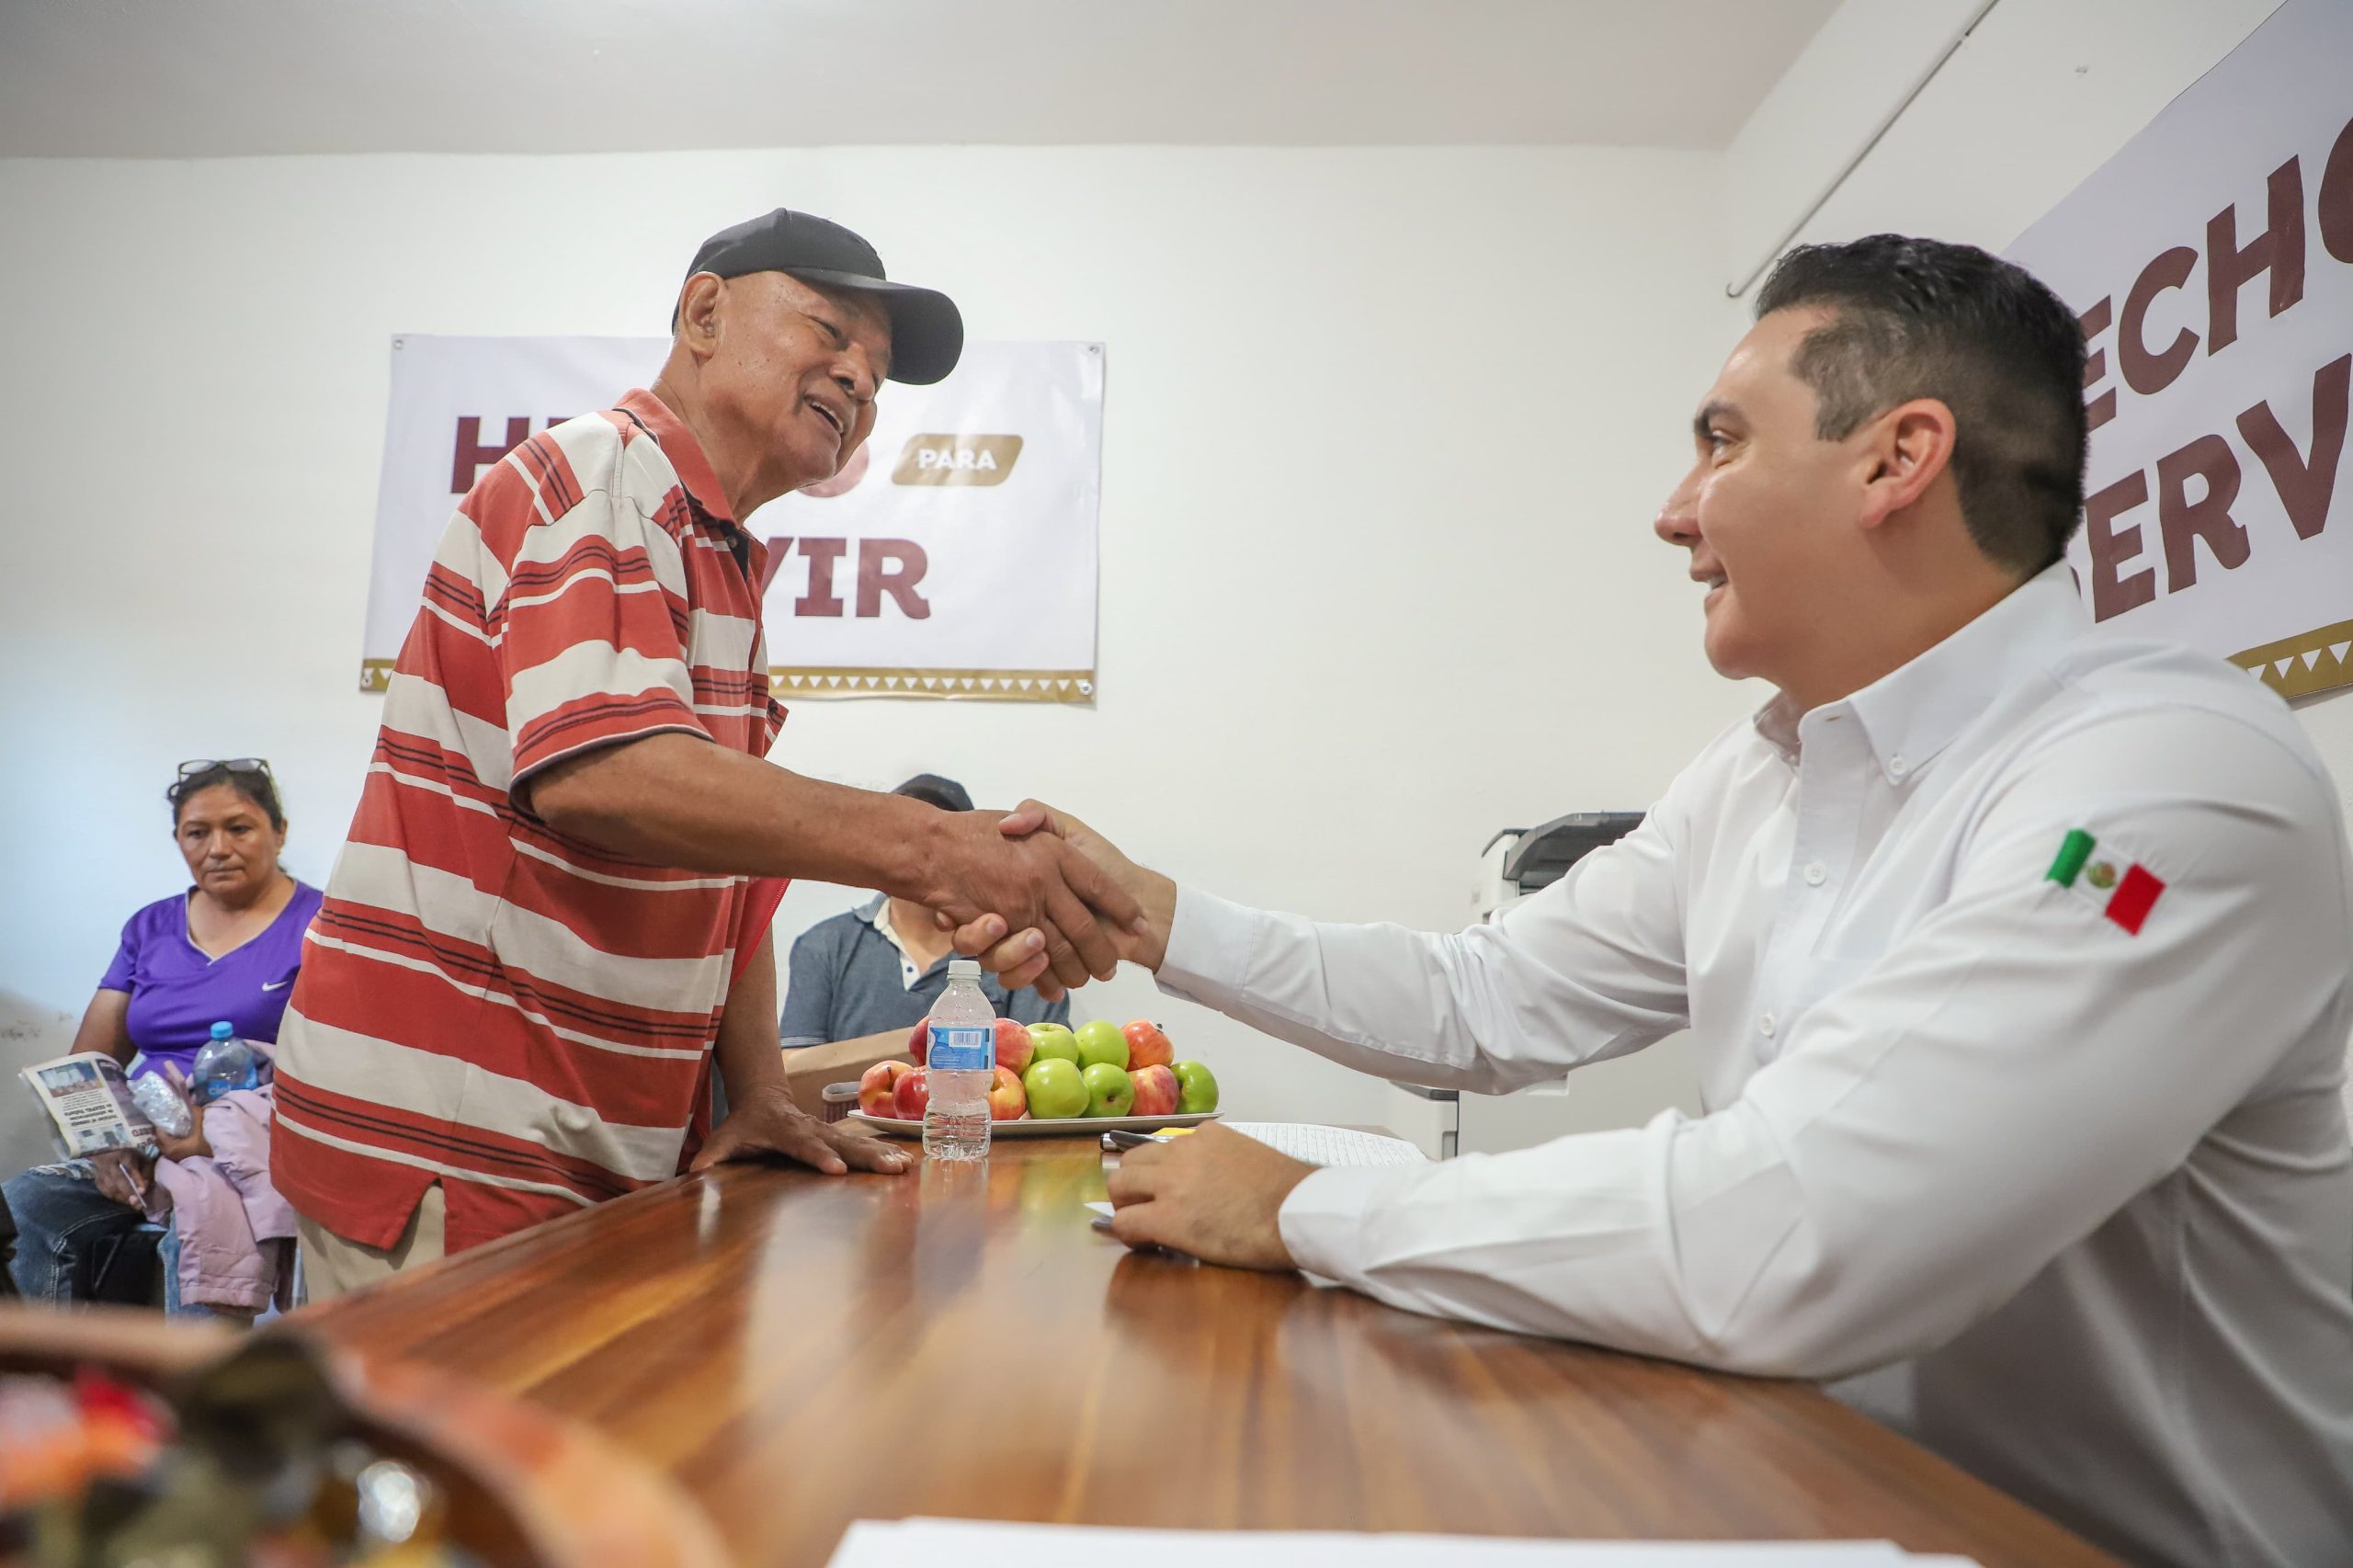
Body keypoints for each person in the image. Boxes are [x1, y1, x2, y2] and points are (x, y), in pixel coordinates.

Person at [968, 237, 2353, 1566]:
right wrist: (1157, 915)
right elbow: (1483, 994)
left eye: (1723, 440)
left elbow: (1807, 1226)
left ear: (1898, 458)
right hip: (1816, 1493)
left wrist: (1303, 1210)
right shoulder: (1757, 775)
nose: (1674, 508)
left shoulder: (2162, 784)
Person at [272, 208, 1143, 1296]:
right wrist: (932, 850)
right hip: (456, 1137)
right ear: (702, 311)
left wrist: (760, 1087)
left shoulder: (714, 552)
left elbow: (721, 868)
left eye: (876, 372)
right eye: (828, 332)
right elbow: (608, 775)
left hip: (585, 1143)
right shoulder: (604, 470)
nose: (859, 380)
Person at [6, 760, 318, 1318]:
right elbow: (90, 1062)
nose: (217, 848)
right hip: (147, 1140)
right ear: (179, 839)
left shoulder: (318, 926)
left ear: (279, 831)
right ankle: (48, 1384)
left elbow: (332, 1068)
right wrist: (107, 1145)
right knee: (27, 1203)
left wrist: (213, 1136)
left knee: (200, 1237)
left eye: (239, 828)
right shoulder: (150, 928)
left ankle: (198, 1401)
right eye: (197, 833)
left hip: (253, 1144)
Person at [779, 776, 1072, 1062]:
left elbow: (1050, 1063)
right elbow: (793, 1067)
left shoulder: (1015, 951)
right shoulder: (824, 946)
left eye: (940, 840)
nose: (919, 854)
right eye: (904, 835)